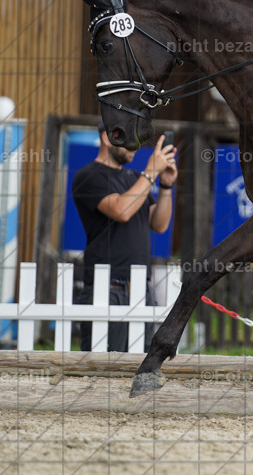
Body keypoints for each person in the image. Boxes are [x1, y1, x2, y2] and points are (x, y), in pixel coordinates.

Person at [72, 123, 177, 352]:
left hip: (142, 290)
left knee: (139, 365)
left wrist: (166, 185)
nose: (135, 148)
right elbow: (121, 210)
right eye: (130, 141)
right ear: (108, 138)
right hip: (108, 289)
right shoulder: (87, 176)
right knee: (102, 369)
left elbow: (159, 224)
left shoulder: (133, 178)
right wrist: (150, 172)